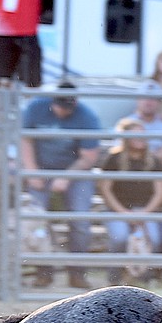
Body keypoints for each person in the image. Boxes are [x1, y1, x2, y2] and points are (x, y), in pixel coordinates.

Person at [20, 80, 100, 289]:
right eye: (60, 106)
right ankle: (43, 271)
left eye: (67, 107)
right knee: (35, 219)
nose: (63, 111)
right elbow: (25, 140)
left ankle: (77, 272)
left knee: (80, 220)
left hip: (75, 170)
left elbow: (89, 157)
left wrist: (66, 176)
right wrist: (31, 170)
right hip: (40, 167)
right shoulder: (35, 108)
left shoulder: (87, 117)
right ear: (52, 101)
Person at [99, 119, 162, 285]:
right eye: (136, 135)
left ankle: (144, 279)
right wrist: (124, 213)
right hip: (118, 209)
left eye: (143, 135)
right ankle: (114, 279)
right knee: (119, 238)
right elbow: (105, 189)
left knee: (154, 239)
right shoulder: (113, 159)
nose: (140, 139)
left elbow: (160, 192)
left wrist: (144, 213)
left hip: (146, 210)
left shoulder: (154, 161)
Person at [125, 80, 162, 156]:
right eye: (145, 97)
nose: (149, 102)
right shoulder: (126, 123)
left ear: (160, 102)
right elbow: (120, 151)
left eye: (153, 98)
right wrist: (157, 154)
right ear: (137, 100)